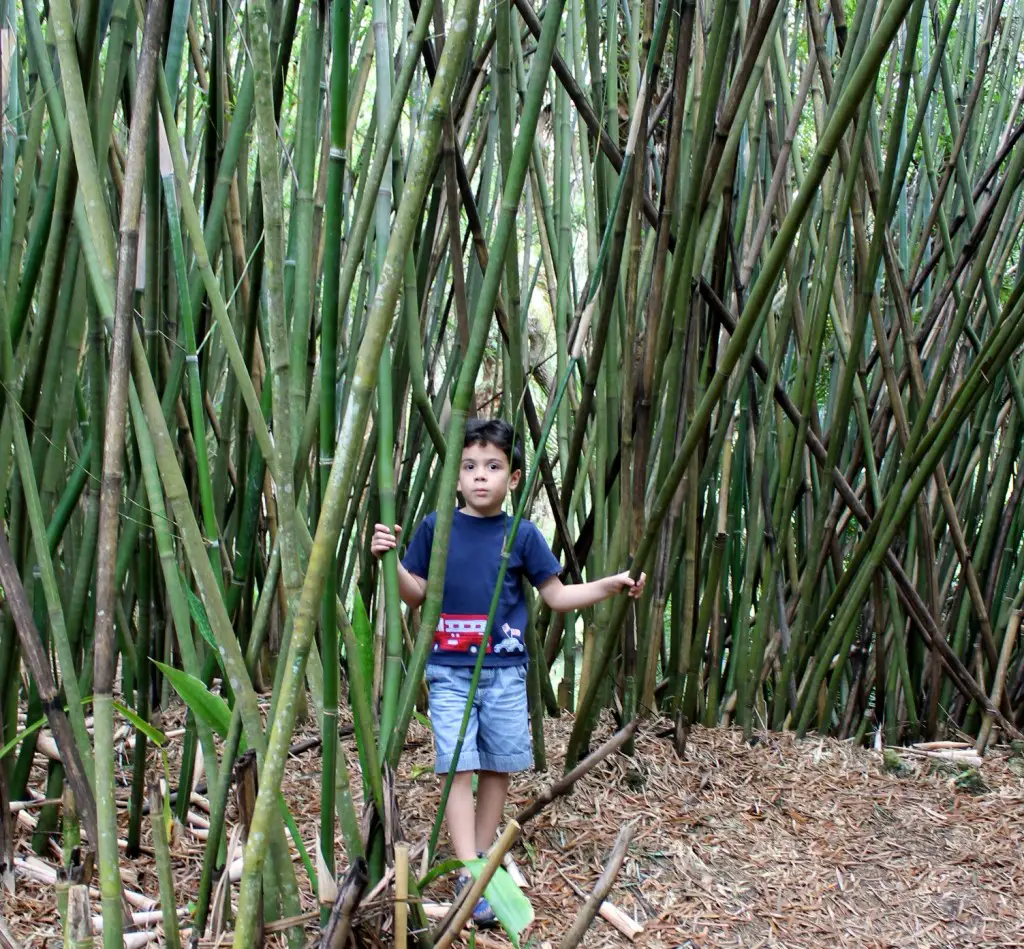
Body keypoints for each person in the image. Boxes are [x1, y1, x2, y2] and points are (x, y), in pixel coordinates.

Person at [370, 418, 646, 924]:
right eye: (470, 467)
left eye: (493, 467)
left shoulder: (523, 534)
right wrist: (389, 562)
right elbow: (417, 596)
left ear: (513, 478)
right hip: (449, 668)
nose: (480, 476)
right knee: (457, 763)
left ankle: (483, 864)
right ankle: (466, 869)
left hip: (504, 670)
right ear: (456, 477)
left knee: (496, 763)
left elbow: (558, 596)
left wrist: (608, 585)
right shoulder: (437, 527)